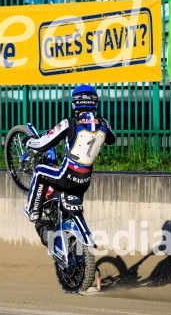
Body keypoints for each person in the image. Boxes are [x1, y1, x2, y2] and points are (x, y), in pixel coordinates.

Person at [23, 85, 116, 242]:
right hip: (84, 181)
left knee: (39, 171)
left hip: (65, 177)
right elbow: (111, 140)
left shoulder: (69, 123)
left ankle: (32, 211)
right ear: (95, 102)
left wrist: (28, 141)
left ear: (75, 103)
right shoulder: (104, 123)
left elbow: (43, 144)